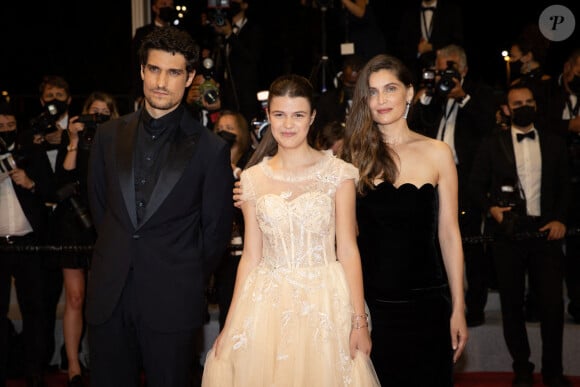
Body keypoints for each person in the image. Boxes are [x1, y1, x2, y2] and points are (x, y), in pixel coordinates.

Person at [202, 74, 380, 386]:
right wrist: (229, 326)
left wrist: (359, 322)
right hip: (267, 306)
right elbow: (251, 257)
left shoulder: (338, 174)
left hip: (325, 301)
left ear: (312, 117)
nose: (288, 125)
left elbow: (349, 250)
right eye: (279, 114)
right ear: (268, 115)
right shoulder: (252, 179)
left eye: (298, 115)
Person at [86, 26, 234, 387]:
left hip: (173, 300)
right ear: (141, 71)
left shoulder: (210, 150)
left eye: (173, 72)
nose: (161, 82)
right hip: (109, 297)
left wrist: (181, 276)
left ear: (190, 78)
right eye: (154, 69)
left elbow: (215, 234)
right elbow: (99, 207)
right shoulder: (107, 137)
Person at [339, 53, 467, 386]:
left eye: (390, 89)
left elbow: (450, 234)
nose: (381, 100)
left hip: (428, 306)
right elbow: (343, 238)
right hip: (372, 308)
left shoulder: (438, 152)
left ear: (409, 93)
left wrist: (459, 306)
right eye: (373, 92)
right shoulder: (352, 157)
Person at [469, 83, 572, 387]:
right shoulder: (492, 143)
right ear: (506, 109)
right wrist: (492, 209)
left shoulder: (555, 143)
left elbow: (568, 186)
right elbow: (474, 185)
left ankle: (553, 372)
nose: (523, 107)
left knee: (552, 307)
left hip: (547, 233)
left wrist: (560, 220)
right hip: (508, 233)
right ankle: (522, 370)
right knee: (511, 305)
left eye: (528, 101)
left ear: (536, 106)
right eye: (517, 103)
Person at [409, 44, 496, 327]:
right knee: (436, 243)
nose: (443, 73)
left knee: (471, 244)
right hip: (433, 180)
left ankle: (475, 307)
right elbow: (417, 127)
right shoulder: (434, 95)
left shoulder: (479, 94)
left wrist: (463, 97)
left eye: (449, 68)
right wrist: (425, 98)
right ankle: (443, 304)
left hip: (468, 180)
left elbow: (488, 127)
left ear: (463, 70)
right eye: (439, 67)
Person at [52, 91, 120, 387]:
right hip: (73, 222)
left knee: (100, 299)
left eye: (105, 113)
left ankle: (101, 358)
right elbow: (63, 178)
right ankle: (72, 364)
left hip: (105, 224)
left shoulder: (117, 141)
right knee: (76, 297)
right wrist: (74, 140)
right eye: (94, 112)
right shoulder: (74, 141)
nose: (99, 118)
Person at [0, 100, 56, 387]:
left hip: (29, 243)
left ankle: (35, 370)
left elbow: (51, 191)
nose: (6, 132)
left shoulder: (30, 152)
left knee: (35, 308)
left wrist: (30, 183)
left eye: (11, 127)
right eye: (1, 127)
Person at [211, 110, 253, 330]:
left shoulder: (252, 162)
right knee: (227, 313)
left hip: (250, 252)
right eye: (220, 129)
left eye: (230, 129)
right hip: (224, 255)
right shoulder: (209, 162)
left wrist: (233, 171)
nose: (224, 133)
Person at [548, 48, 580, 324]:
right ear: (569, 66)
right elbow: (542, 125)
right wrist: (570, 125)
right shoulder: (549, 91)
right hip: (554, 178)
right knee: (554, 244)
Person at [211, 0, 265, 125]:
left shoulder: (253, 28)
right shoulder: (222, 28)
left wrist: (230, 34)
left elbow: (251, 57)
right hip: (226, 94)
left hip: (246, 95)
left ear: (244, 5)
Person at [396, 0, 464, 86]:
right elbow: (401, 44)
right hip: (415, 73)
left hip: (443, 71)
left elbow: (457, 42)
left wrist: (432, 47)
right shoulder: (409, 11)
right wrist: (418, 50)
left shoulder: (451, 10)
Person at [130, 0, 177, 109]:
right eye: (164, 4)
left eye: (170, 5)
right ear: (155, 8)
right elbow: (134, 63)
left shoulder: (178, 33)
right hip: (148, 92)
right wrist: (138, 94)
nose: (168, 8)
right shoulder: (142, 33)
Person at [310, 54, 366, 144]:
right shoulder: (326, 101)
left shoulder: (372, 101)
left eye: (356, 85)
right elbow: (317, 134)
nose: (352, 90)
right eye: (349, 85)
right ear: (341, 78)